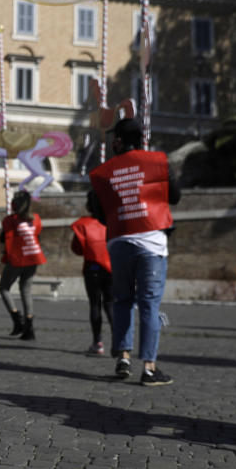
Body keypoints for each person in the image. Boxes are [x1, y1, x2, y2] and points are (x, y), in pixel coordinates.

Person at [89, 118, 181, 386]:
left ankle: (124, 359)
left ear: (118, 140)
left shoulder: (104, 171)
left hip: (119, 242)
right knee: (149, 305)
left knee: (122, 301)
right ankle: (149, 368)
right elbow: (175, 196)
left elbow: (97, 210)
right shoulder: (158, 162)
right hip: (152, 241)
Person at [0, 190, 46, 340]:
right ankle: (29, 326)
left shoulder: (10, 220)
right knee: (26, 291)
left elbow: (3, 238)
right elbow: (37, 234)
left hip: (18, 257)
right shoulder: (36, 219)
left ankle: (17, 319)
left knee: (4, 288)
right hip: (34, 256)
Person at [71, 190, 113, 356]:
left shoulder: (82, 224)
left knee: (95, 304)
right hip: (112, 268)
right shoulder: (113, 222)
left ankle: (98, 342)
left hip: (92, 269)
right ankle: (119, 343)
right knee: (111, 304)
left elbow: (76, 248)